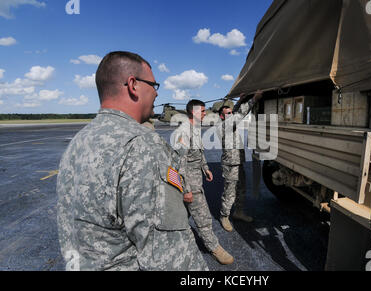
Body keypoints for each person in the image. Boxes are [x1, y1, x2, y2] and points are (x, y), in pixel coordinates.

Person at [56, 51, 208, 271]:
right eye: (154, 85)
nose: (156, 94)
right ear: (133, 84)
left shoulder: (79, 141)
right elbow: (170, 257)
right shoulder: (142, 145)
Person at [172, 100, 234, 265]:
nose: (205, 114)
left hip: (196, 179)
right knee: (204, 218)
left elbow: (199, 153)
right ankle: (214, 248)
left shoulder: (195, 130)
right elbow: (180, 164)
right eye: (203, 111)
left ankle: (177, 237)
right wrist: (186, 190)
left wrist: (205, 168)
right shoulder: (183, 132)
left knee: (182, 214)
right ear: (193, 112)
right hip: (189, 183)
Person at [216, 91, 263, 232]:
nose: (231, 114)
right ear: (221, 117)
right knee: (229, 193)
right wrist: (253, 99)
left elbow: (234, 113)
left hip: (238, 163)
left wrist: (239, 100)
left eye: (231, 113)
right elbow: (239, 115)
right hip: (230, 165)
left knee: (241, 189)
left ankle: (239, 212)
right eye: (227, 114)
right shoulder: (224, 126)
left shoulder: (230, 122)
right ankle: (224, 217)